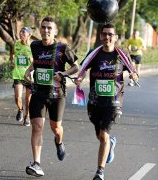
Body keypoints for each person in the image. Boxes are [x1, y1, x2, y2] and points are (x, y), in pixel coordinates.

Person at [74, 23, 138, 180]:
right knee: (100, 135)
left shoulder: (122, 55)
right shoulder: (94, 54)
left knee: (103, 136)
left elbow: (134, 71)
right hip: (95, 101)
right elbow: (82, 70)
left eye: (110, 34)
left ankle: (100, 172)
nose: (107, 37)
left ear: (115, 37)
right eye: (104, 34)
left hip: (114, 101)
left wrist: (134, 76)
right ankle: (111, 143)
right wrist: (79, 79)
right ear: (101, 36)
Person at [23, 16, 79, 177]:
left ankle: (59, 141)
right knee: (37, 127)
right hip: (39, 93)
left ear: (55, 31)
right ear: (40, 29)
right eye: (43, 27)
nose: (46, 30)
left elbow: (76, 66)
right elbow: (37, 62)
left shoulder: (63, 48)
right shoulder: (34, 45)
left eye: (49, 28)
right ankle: (37, 163)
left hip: (57, 95)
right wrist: (29, 70)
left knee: (56, 128)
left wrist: (64, 73)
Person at [10, 27, 33, 126]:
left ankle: (27, 117)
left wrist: (31, 59)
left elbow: (36, 61)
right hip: (18, 74)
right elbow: (12, 55)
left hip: (29, 76)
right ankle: (20, 109)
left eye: (23, 32)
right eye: (20, 32)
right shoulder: (17, 44)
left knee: (28, 100)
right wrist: (12, 62)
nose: (21, 33)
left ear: (29, 35)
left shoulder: (32, 47)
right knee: (17, 97)